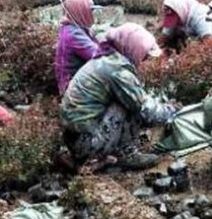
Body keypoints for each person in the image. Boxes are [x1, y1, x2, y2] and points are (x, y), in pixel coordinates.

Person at [60, 23, 177, 170]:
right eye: (144, 55)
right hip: (86, 144)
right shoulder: (118, 72)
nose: (145, 60)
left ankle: (102, 155)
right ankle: (127, 154)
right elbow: (146, 110)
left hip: (75, 139)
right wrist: (171, 111)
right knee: (129, 103)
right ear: (133, 49)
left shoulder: (107, 59)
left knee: (129, 98)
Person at [55, 0, 101, 95]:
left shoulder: (74, 28)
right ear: (81, 11)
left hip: (80, 86)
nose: (93, 14)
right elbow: (99, 55)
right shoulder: (73, 35)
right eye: (90, 10)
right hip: (76, 92)